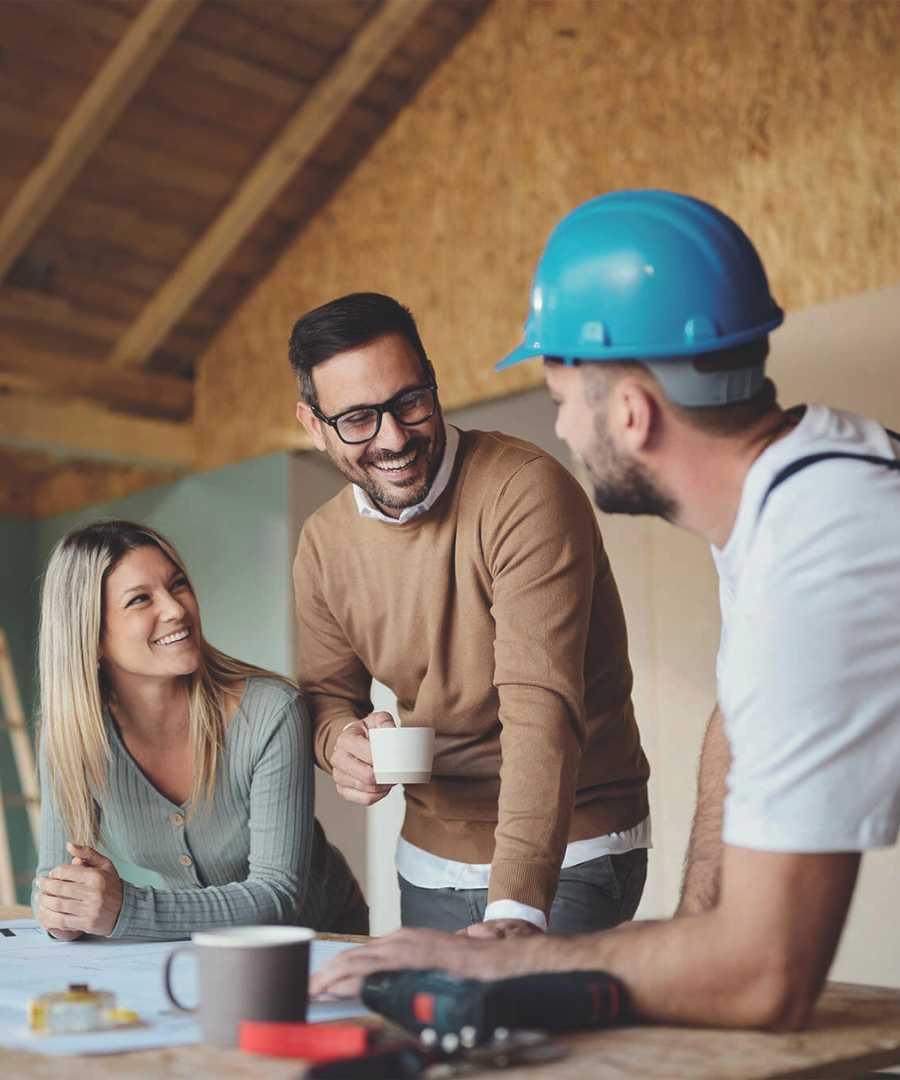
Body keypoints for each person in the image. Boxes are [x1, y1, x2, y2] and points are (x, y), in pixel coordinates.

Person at [310, 191, 900, 1030]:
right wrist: (698, 931)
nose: (558, 426)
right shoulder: (801, 493)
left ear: (630, 412)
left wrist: (506, 952)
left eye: (558, 396)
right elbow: (740, 725)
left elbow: (767, 975)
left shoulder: (820, 556)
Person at [289, 292, 650, 938]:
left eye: (409, 401)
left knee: (537, 1037)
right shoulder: (322, 544)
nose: (394, 437)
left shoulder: (522, 491)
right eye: (359, 420)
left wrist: (515, 906)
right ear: (314, 427)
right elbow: (325, 695)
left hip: (571, 848)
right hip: (429, 859)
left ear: (432, 379)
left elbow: (541, 708)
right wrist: (339, 743)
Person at [32, 520, 366, 941]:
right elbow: (51, 885)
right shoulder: (70, 734)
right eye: (140, 599)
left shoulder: (271, 712)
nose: (175, 609)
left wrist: (124, 908)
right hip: (198, 949)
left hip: (321, 940)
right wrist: (69, 913)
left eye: (178, 585)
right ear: (90, 635)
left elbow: (278, 897)